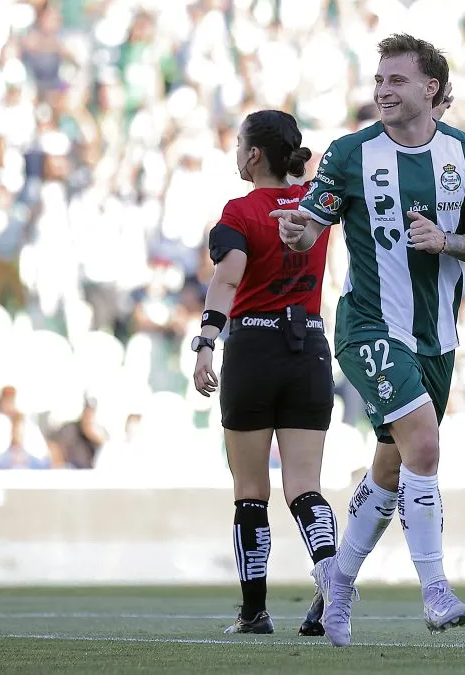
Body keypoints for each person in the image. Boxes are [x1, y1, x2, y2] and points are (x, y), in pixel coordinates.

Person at [273, 33, 465, 647]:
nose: (382, 90)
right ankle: (435, 593)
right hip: (369, 326)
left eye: (396, 80)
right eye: (378, 80)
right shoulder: (350, 153)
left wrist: (447, 241)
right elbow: (310, 229)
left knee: (392, 464)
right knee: (424, 446)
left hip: (439, 338)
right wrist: (298, 232)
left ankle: (338, 584)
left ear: (431, 89)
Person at [190, 110, 339, 636]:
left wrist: (206, 342)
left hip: (253, 349)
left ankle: (254, 613)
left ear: (254, 155)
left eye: (238, 145)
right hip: (311, 348)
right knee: (305, 487)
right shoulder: (319, 206)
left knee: (251, 490)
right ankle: (331, 581)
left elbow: (227, 281)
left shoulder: (240, 211)